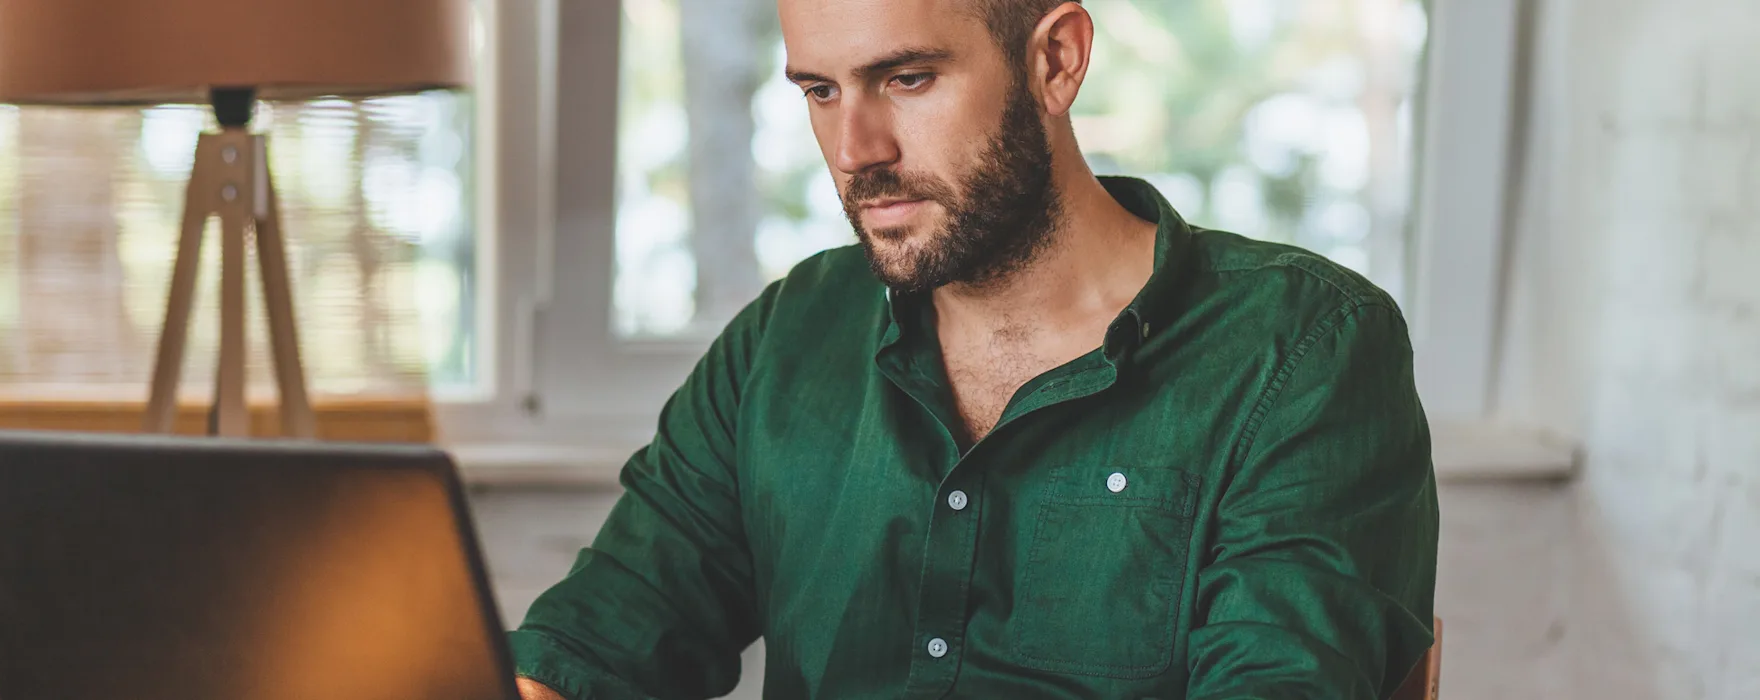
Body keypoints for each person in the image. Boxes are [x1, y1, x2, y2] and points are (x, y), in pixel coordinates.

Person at [512, 0, 1438, 697]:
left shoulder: (1303, 350)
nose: (854, 149)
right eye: (820, 92)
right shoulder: (788, 338)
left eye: (906, 79)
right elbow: (595, 651)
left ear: (1057, 61)